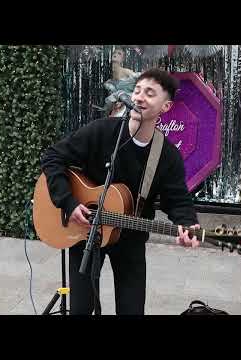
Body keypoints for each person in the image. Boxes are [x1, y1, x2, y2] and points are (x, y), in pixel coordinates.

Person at [41, 68, 200, 315]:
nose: (139, 97)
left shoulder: (167, 155)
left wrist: (187, 223)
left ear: (165, 107)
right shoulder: (102, 131)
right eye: (137, 90)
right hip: (86, 231)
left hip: (131, 238)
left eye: (149, 93)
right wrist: (68, 202)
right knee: (81, 309)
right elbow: (52, 157)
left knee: (131, 309)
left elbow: (177, 198)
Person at [102, 47, 141, 117]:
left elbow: (140, 79)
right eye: (114, 53)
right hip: (116, 109)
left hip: (128, 106)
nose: (115, 55)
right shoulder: (109, 75)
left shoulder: (126, 71)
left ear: (122, 59)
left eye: (119, 54)